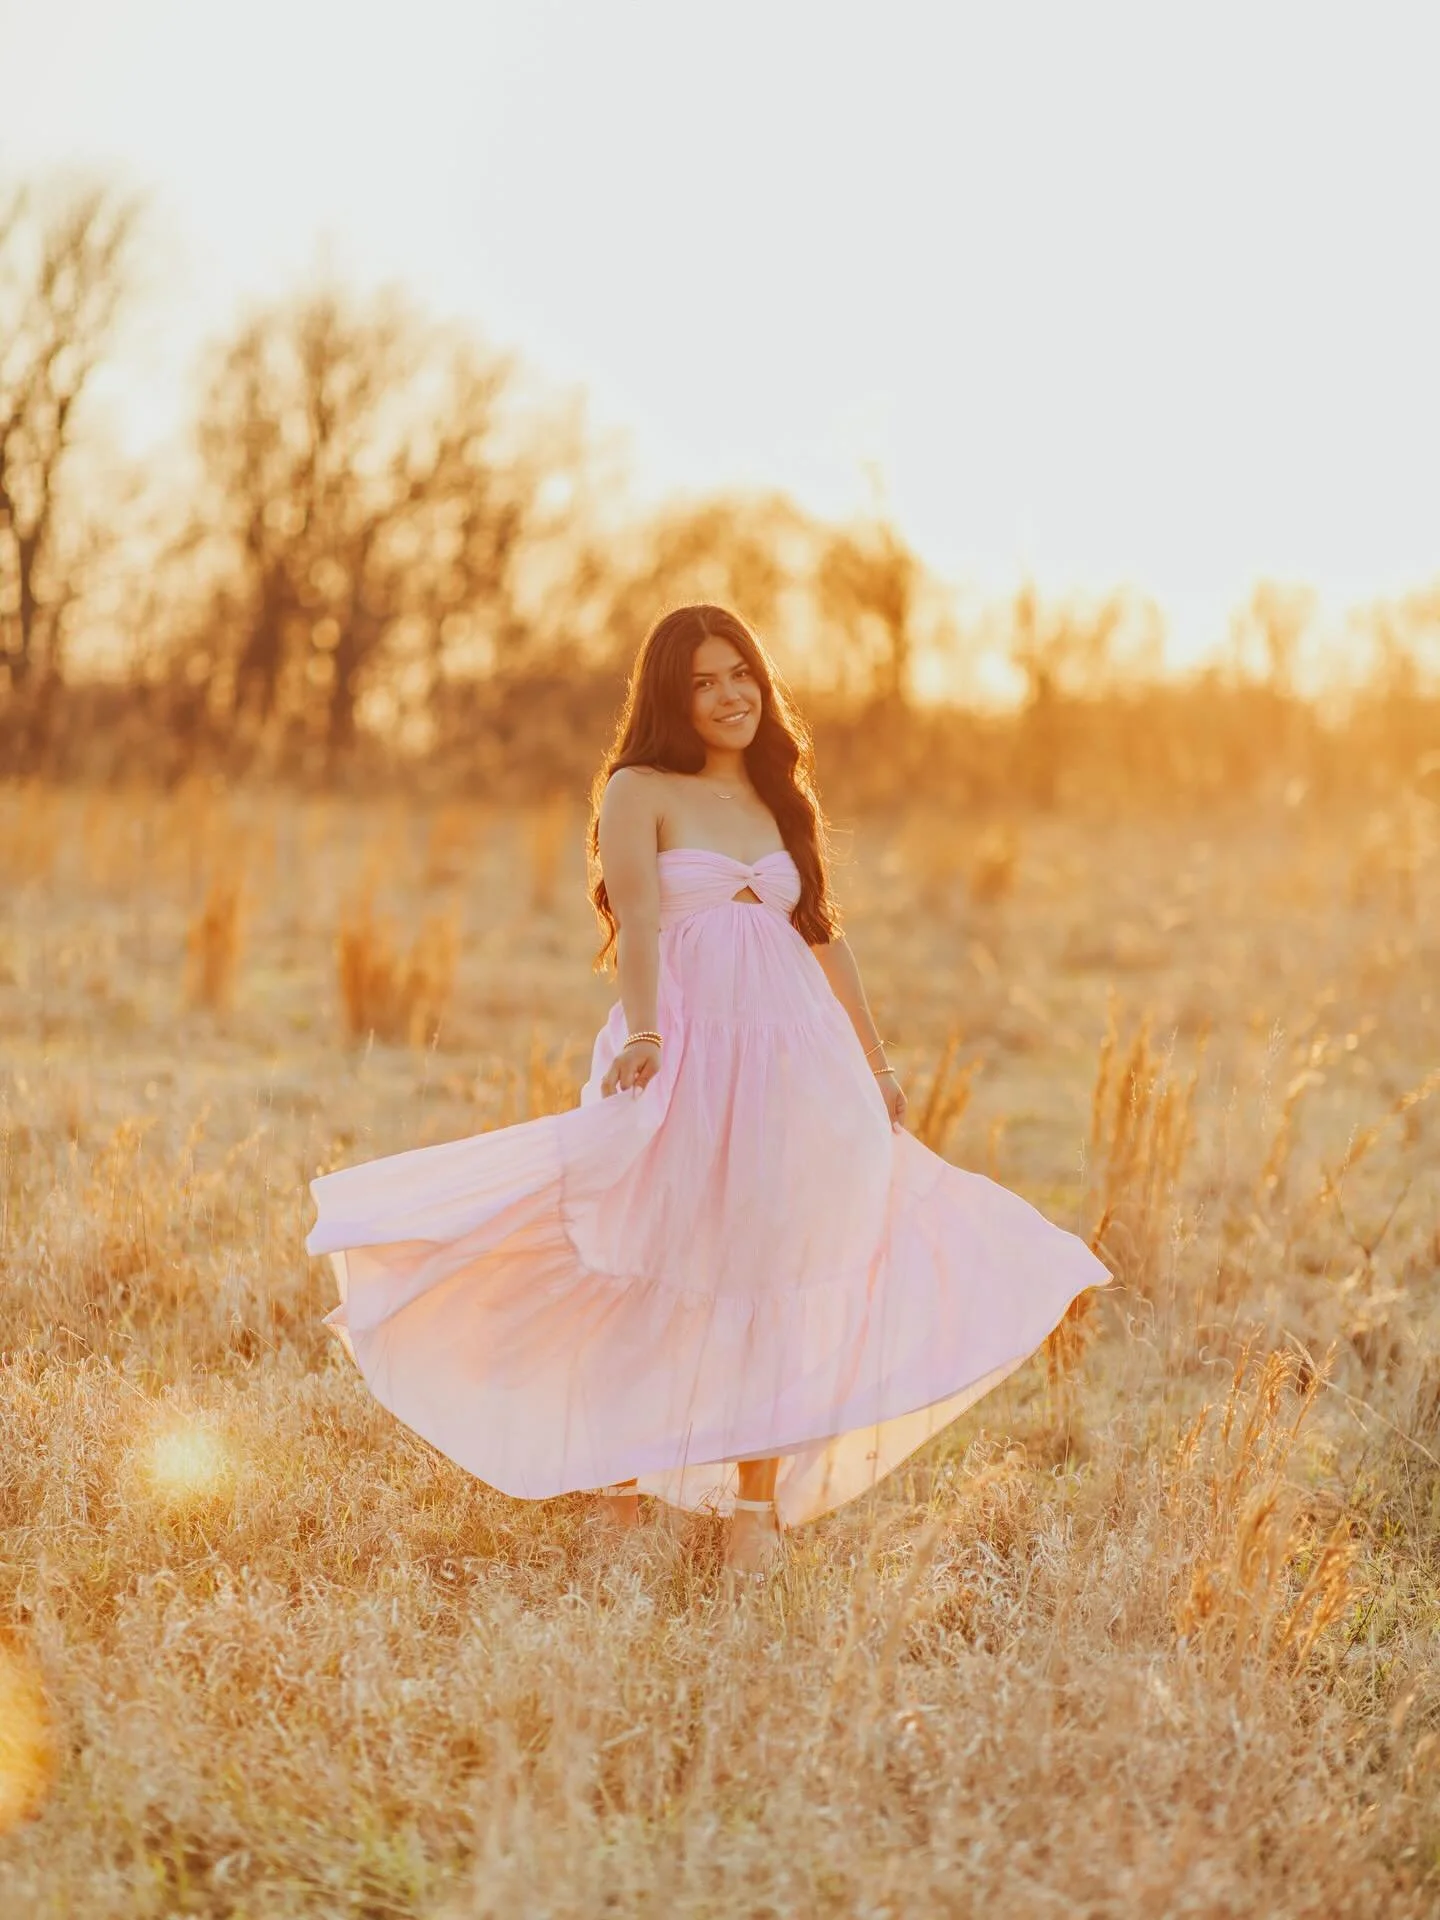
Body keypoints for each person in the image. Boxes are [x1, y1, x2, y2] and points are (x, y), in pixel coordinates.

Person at [305, 603, 1113, 1584]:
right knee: (649, 1247)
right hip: (685, 1048)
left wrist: (878, 1066)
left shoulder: (782, 798)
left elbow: (825, 940)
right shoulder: (638, 790)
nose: (731, 696)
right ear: (669, 697)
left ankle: (753, 1509)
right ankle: (617, 1484)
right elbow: (639, 924)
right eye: (705, 682)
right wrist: (645, 1035)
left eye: (743, 675)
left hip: (796, 1063)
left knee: (775, 1258)